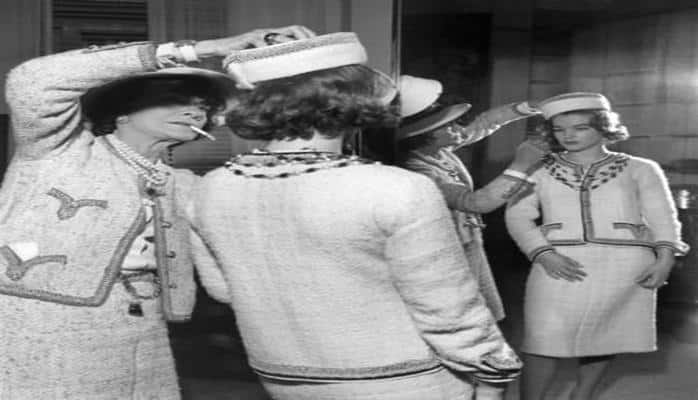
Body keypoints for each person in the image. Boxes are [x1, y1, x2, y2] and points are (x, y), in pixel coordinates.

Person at [190, 32, 522, 400]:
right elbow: (448, 307)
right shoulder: (397, 187)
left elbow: (223, 288)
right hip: (402, 380)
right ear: (353, 100)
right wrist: (493, 372)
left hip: (283, 376)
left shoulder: (210, 187)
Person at [0, 25, 313, 399]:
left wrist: (286, 76)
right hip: (37, 331)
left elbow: (245, 251)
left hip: (143, 332)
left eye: (203, 106)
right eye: (175, 99)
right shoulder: (57, 153)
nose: (194, 110)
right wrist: (203, 49)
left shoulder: (185, 185)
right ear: (123, 111)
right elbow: (31, 82)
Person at [504, 92, 689, 400]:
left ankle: (583, 395)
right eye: (560, 129)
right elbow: (517, 215)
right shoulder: (537, 168)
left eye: (580, 128)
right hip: (558, 262)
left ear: (604, 127)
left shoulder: (641, 168)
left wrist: (665, 259)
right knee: (542, 340)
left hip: (624, 266)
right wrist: (543, 253)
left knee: (605, 336)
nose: (568, 136)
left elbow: (663, 217)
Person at [396, 76, 546, 399]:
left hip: (468, 247)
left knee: (480, 323)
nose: (459, 129)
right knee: (458, 328)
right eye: (448, 126)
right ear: (424, 135)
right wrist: (521, 165)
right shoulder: (418, 169)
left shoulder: (439, 149)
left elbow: (486, 123)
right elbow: (475, 202)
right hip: (443, 257)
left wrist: (530, 107)